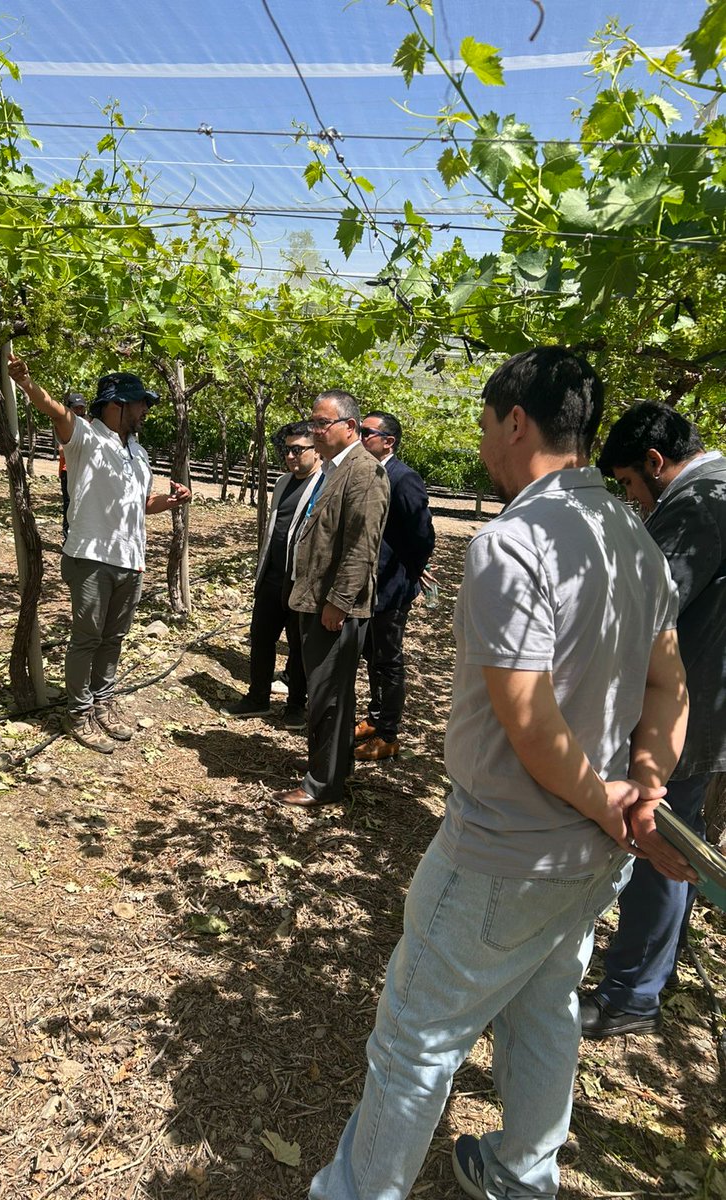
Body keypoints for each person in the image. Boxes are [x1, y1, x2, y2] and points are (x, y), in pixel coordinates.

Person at [307, 347, 690, 1200]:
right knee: (545, 1004)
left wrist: (613, 798)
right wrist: (643, 789)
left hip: (502, 852)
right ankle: (524, 1174)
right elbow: (669, 685)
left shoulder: (515, 544)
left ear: (516, 421)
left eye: (484, 424)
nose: (482, 442)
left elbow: (529, 720)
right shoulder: (635, 539)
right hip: (592, 859)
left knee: (415, 1041)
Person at [580, 402, 726, 1038]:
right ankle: (649, 972)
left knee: (659, 843)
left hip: (688, 712)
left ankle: (631, 996)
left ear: (656, 463)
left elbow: (650, 603)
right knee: (674, 841)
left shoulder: (698, 505)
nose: (634, 501)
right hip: (703, 703)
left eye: (633, 486)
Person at [8, 354, 191, 753]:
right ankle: (78, 712)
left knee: (114, 638)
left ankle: (102, 703)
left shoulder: (137, 451)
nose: (146, 410)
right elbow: (54, 409)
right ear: (116, 404)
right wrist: (26, 382)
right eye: (141, 402)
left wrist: (170, 501)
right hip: (91, 557)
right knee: (87, 639)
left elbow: (139, 504)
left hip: (131, 559)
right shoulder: (84, 438)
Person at [274, 391, 390, 808]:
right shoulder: (336, 469)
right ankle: (335, 770)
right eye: (313, 422)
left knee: (326, 697)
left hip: (333, 608)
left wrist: (339, 602)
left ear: (350, 427)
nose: (315, 430)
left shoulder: (364, 473)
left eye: (323, 423)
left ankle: (320, 784)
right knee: (333, 694)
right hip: (314, 600)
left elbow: (363, 546)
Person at [223, 422, 322, 729]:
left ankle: (295, 705)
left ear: (317, 450)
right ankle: (258, 698)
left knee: (298, 645)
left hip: (301, 580)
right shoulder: (282, 483)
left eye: (298, 450)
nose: (291, 456)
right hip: (272, 577)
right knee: (262, 639)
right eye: (287, 450)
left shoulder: (325, 484)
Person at [354, 410, 435, 762]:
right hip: (370, 584)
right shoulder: (368, 474)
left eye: (367, 432)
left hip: (390, 586)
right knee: (372, 656)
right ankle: (375, 718)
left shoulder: (403, 478)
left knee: (389, 660)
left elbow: (423, 535)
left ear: (388, 441)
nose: (360, 437)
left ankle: (388, 734)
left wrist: (410, 571)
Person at [59, 392, 87, 540]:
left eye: (81, 408)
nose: (79, 412)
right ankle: (67, 538)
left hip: (84, 473)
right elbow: (62, 451)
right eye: (76, 408)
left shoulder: (88, 425)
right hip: (68, 472)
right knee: (70, 505)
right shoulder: (65, 426)